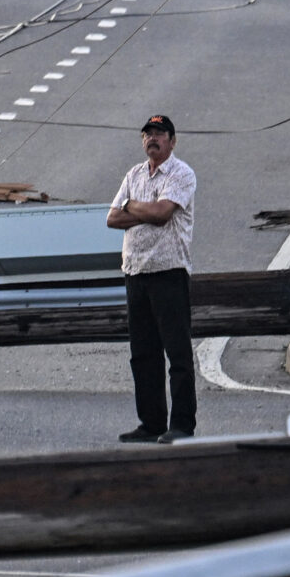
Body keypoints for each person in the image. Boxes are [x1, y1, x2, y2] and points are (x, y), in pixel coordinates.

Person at [107, 113, 196, 444]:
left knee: (177, 353)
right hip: (136, 273)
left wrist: (133, 207)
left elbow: (162, 215)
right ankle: (152, 422)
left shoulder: (181, 173)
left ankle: (182, 425)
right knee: (143, 354)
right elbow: (112, 218)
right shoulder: (134, 175)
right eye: (148, 134)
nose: (152, 139)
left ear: (172, 141)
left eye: (160, 134)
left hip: (168, 272)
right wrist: (138, 207)